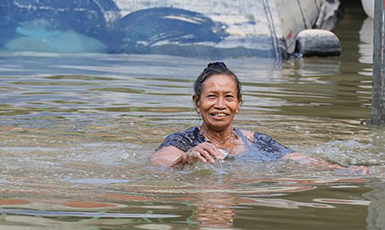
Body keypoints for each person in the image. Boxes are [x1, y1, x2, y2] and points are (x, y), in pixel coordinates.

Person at [150, 62, 369, 173]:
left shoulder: (255, 141)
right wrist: (185, 160)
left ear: (238, 104)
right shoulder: (184, 142)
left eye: (228, 97)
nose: (220, 105)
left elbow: (296, 158)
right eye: (211, 97)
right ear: (197, 103)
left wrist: (341, 170)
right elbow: (158, 165)